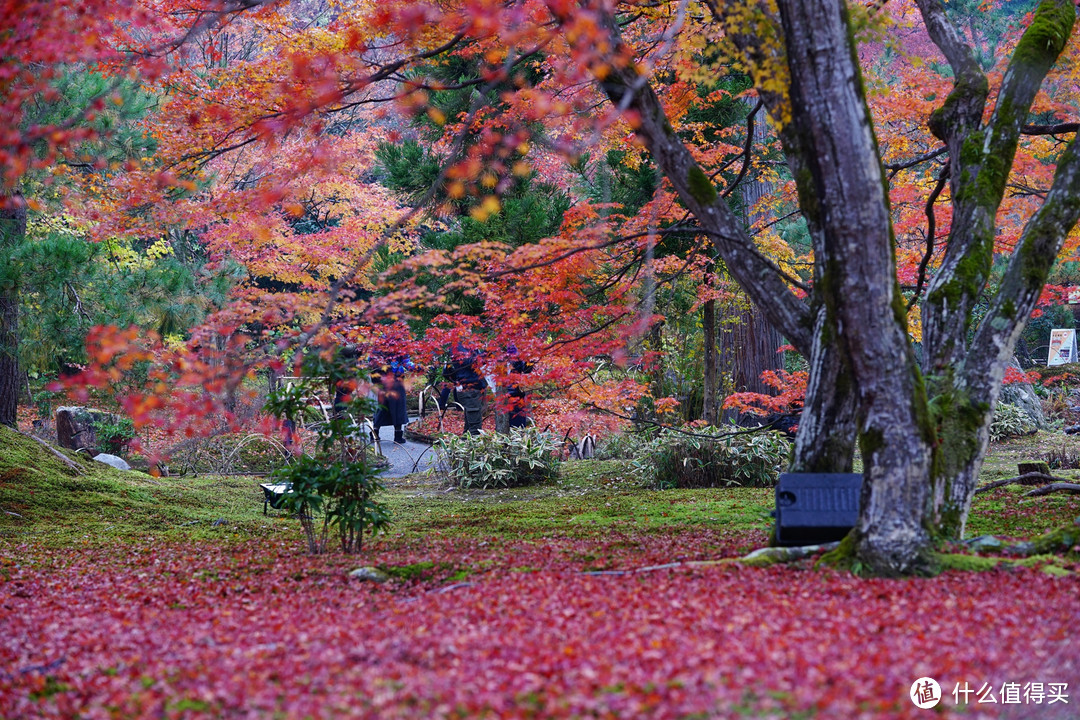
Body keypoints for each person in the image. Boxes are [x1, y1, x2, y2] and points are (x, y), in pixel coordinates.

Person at [440, 347, 486, 434]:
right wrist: (487, 352)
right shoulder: (459, 346)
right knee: (475, 427)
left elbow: (479, 363)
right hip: (469, 387)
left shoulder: (468, 345)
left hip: (473, 386)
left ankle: (467, 441)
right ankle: (473, 444)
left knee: (470, 424)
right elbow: (470, 362)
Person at [372, 369, 408, 444]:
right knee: (398, 408)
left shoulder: (377, 358)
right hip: (396, 382)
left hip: (382, 382)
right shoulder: (399, 358)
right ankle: (398, 436)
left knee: (381, 409)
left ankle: (374, 434)